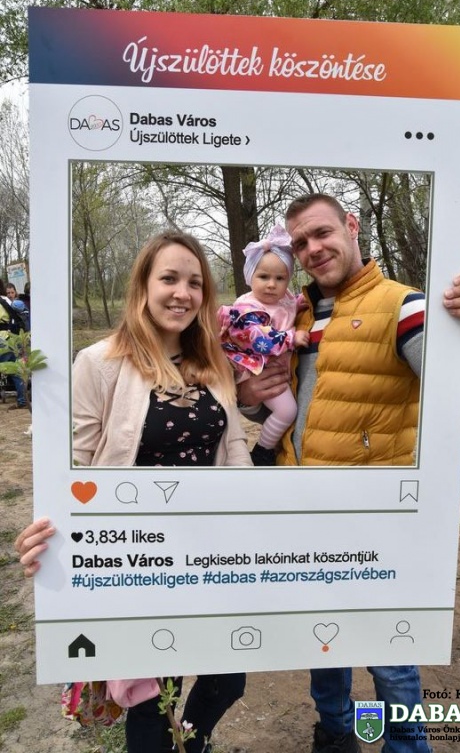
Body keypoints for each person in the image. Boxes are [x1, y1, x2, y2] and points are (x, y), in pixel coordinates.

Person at [237, 193, 460, 753]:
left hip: (375, 523)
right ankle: (336, 734)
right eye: (300, 243)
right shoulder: (293, 314)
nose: (313, 249)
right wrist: (252, 397)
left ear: (352, 226)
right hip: (302, 513)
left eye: (322, 233)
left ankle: (406, 746)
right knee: (321, 641)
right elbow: (278, 408)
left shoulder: (404, 306)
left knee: (389, 655)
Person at [15, 230, 251, 753]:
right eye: (169, 278)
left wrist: (254, 524)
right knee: (152, 696)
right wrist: (46, 536)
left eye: (195, 283)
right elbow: (73, 464)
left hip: (210, 553)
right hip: (138, 559)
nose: (182, 293)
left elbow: (234, 447)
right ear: (143, 286)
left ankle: (192, 742)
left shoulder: (215, 364)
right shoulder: (99, 363)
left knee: (227, 678)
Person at [218, 224, 309, 465]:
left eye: (280, 278)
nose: (271, 284)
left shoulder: (282, 299)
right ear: (250, 277)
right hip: (257, 370)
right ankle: (263, 450)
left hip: (276, 368)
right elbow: (258, 339)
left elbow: (289, 305)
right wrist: (291, 338)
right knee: (287, 411)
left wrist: (303, 300)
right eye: (264, 277)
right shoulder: (246, 308)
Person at [0, 278, 27, 410]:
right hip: (12, 338)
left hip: (1, 339)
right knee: (15, 371)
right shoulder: (7, 300)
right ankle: (22, 399)